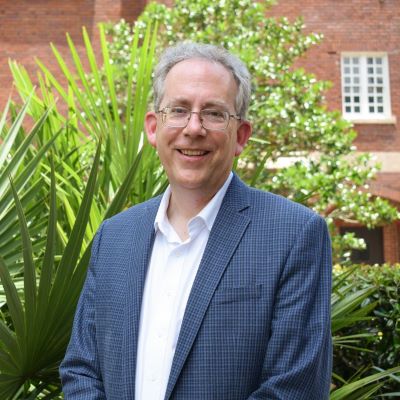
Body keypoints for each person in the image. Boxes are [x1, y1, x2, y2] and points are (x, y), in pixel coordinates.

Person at [60, 42, 332, 400]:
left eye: (214, 113)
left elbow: (295, 388)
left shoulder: (294, 234)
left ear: (241, 136)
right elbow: (81, 370)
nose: (194, 127)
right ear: (154, 127)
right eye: (179, 110)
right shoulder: (114, 237)